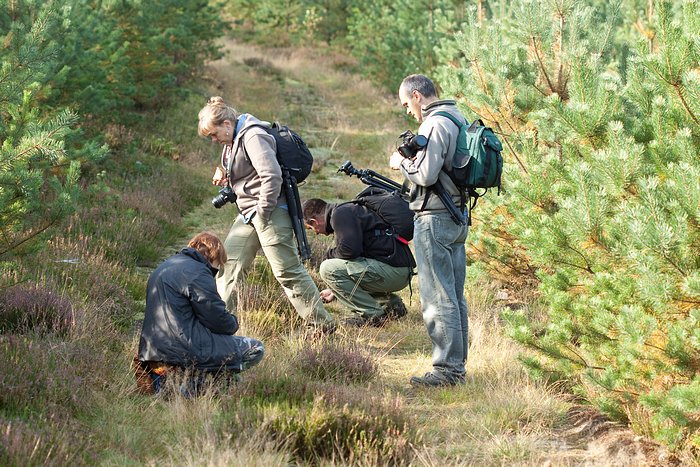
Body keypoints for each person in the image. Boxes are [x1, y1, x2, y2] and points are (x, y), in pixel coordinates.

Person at [197, 97, 335, 334]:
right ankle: (219, 329)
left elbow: (271, 175)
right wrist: (226, 175)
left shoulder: (253, 136)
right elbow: (248, 173)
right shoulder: (232, 141)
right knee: (229, 265)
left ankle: (322, 326)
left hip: (269, 210)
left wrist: (262, 211)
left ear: (227, 124)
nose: (214, 140)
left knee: (287, 271)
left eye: (214, 134)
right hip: (249, 213)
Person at [389, 74, 470, 387]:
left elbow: (425, 174)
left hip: (435, 217)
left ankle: (447, 370)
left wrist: (400, 163)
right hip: (456, 216)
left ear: (417, 96)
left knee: (437, 297)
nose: (408, 110)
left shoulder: (434, 124)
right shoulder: (458, 118)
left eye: (406, 103)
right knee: (454, 295)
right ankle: (456, 366)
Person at [138, 232, 264, 389]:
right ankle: (200, 387)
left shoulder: (164, 267)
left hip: (152, 352)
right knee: (256, 348)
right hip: (183, 350)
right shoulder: (198, 272)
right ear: (213, 257)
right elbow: (217, 319)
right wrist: (233, 323)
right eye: (218, 266)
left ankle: (167, 386)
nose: (216, 271)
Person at [302, 197, 414, 326]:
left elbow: (349, 251)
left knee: (328, 269)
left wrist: (329, 255)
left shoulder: (340, 214)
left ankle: (372, 316)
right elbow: (354, 261)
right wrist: (335, 290)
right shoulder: (347, 211)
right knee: (337, 268)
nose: (316, 233)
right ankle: (391, 305)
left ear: (314, 221)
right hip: (400, 271)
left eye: (311, 228)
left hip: (393, 272)